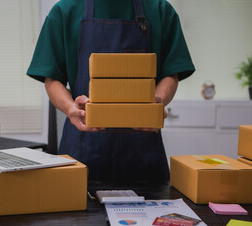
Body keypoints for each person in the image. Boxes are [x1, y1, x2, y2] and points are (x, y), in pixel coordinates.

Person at [27, 0, 195, 182]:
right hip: (82, 151)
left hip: (143, 158)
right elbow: (52, 79)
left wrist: (154, 104)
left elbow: (171, 74)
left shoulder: (160, 10)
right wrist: (71, 109)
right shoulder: (64, 11)